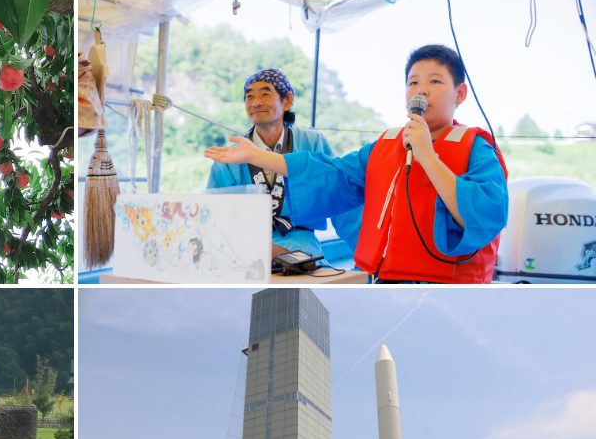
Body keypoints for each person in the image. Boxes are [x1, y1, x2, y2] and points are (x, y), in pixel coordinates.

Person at [204, 45, 508, 283]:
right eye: (413, 82)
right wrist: (256, 156)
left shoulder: (476, 147)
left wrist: (427, 156)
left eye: (435, 81)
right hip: (386, 280)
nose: (421, 90)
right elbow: (333, 175)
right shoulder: (385, 145)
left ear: (460, 93)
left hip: (447, 285)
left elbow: (488, 211)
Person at [206, 68, 361, 258]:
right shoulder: (229, 157)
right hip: (245, 247)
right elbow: (215, 217)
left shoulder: (312, 143)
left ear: (287, 100)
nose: (255, 102)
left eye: (265, 93)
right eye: (249, 96)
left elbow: (341, 200)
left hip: (301, 244)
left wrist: (368, 260)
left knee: (306, 274)